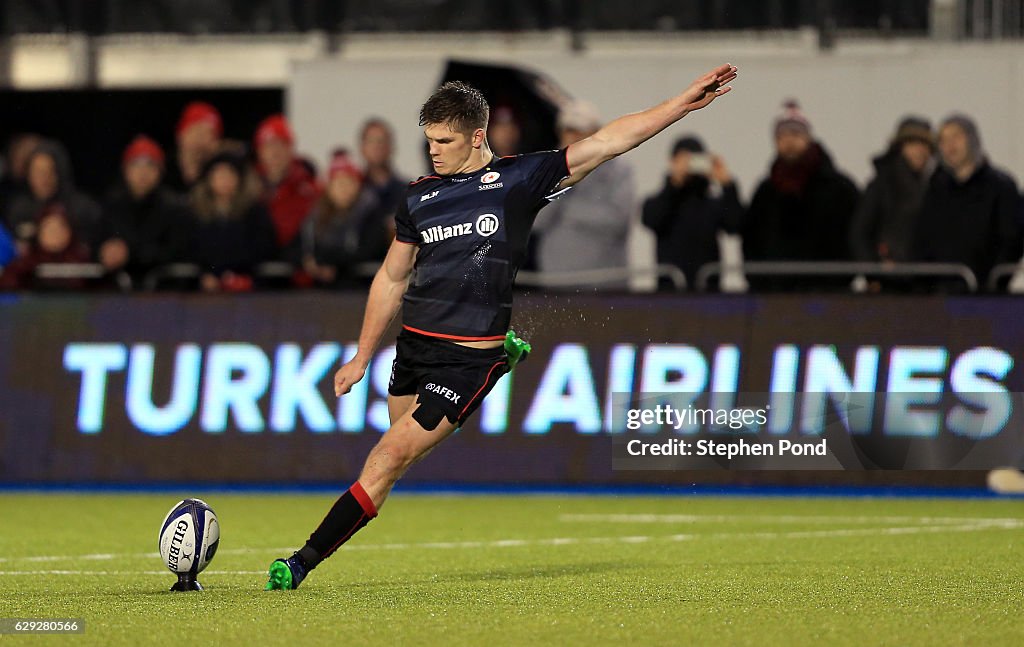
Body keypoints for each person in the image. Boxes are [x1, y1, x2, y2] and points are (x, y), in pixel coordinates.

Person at [264, 63, 739, 590]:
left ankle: (299, 562)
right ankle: (503, 354)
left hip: (469, 357)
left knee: (388, 456)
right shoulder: (419, 195)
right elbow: (392, 277)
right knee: (393, 457)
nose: (433, 151)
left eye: (444, 140)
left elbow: (607, 142)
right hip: (416, 345)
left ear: (477, 136)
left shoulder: (517, 180)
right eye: (428, 141)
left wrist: (681, 102)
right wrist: (362, 355)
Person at [742, 101, 860, 267]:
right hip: (775, 288)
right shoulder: (766, 191)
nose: (789, 141)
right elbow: (751, 238)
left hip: (830, 287)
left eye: (795, 133)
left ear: (808, 138)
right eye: (782, 136)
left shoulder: (840, 188)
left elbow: (857, 233)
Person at [532, 100, 635, 287]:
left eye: (580, 132)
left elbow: (618, 220)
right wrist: (562, 174)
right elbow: (536, 221)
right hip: (556, 282)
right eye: (568, 131)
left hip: (605, 283)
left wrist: (569, 209)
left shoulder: (618, 169)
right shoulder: (545, 167)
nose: (573, 138)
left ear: (595, 132)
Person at [914, 114, 1021, 290]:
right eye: (943, 140)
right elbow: (922, 239)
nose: (950, 146)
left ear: (972, 140)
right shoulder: (935, 189)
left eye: (956, 137)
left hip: (985, 296)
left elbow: (1011, 240)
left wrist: (993, 284)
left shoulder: (1000, 187)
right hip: (939, 296)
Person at [641, 135, 743, 289]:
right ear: (672, 162)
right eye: (683, 160)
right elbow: (652, 219)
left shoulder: (712, 203)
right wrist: (674, 184)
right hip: (669, 292)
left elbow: (736, 224)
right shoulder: (662, 200)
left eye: (695, 159)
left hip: (708, 292)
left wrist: (727, 184)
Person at [97, 135, 191, 285]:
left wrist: (131, 254)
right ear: (126, 170)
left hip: (163, 292)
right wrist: (105, 252)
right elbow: (98, 242)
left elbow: (175, 252)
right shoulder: (112, 205)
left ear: (160, 172)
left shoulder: (173, 208)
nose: (143, 173)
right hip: (116, 294)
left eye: (150, 166)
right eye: (136, 165)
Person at [187, 149, 277, 292]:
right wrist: (205, 274)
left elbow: (264, 247)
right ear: (209, 179)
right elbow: (190, 249)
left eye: (230, 174)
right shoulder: (195, 213)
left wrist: (239, 276)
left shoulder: (254, 212)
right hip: (204, 287)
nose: (225, 180)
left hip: (248, 285)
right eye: (219, 174)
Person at [850, 117, 936, 265]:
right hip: (889, 280)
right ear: (900, 146)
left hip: (924, 278)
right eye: (913, 143)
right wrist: (874, 270)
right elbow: (859, 233)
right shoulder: (881, 185)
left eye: (925, 145)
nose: (920, 150)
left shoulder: (934, 185)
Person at [300, 150, 386, 286]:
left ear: (358, 185)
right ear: (329, 187)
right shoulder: (316, 215)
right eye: (338, 182)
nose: (343, 188)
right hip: (323, 286)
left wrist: (331, 263)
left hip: (360, 285)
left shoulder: (370, 211)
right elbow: (308, 247)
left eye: (349, 181)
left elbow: (367, 251)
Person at [4, 138, 102, 252]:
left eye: (49, 171)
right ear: (28, 174)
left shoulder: (83, 208)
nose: (43, 179)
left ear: (60, 172)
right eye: (37, 172)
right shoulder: (18, 208)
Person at [253, 113, 320, 257]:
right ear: (259, 151)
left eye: (281, 145)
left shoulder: (310, 189)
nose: (275, 152)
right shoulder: (247, 189)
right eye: (269, 145)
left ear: (291, 149)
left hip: (298, 271)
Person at [0, 206, 91, 291]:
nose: (55, 234)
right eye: (49, 228)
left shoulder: (84, 263)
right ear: (39, 232)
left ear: (70, 232)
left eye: (60, 228)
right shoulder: (23, 266)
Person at [358, 117, 409, 228]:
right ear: (362, 148)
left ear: (392, 147)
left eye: (382, 141)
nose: (377, 147)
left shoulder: (408, 192)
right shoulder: (354, 192)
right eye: (371, 141)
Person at [166, 101, 224, 193]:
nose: (201, 141)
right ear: (180, 135)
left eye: (210, 134)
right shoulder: (162, 170)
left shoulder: (221, 177)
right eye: (196, 132)